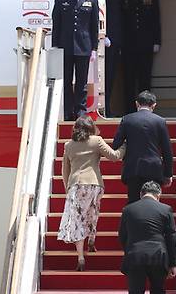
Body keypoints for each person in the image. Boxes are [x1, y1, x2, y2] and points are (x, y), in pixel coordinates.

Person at [57, 116, 126, 271]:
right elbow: (114, 156)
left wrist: (68, 188)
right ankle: (91, 240)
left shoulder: (68, 145)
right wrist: (125, 146)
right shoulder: (96, 140)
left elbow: (65, 170)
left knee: (77, 219)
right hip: (94, 184)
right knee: (93, 212)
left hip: (76, 185)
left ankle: (81, 257)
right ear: (91, 128)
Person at [52, 0, 99, 121]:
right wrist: (55, 46)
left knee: (82, 83)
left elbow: (94, 26)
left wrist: (94, 48)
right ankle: (66, 111)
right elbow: (56, 24)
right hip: (65, 47)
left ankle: (80, 112)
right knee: (65, 81)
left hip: (83, 47)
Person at [113, 90, 173, 204]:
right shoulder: (160, 121)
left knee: (133, 203)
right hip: (154, 169)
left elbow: (116, 144)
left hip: (133, 168)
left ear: (137, 104)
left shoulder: (127, 119)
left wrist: (129, 144)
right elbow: (167, 150)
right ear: (154, 105)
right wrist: (168, 173)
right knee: (153, 203)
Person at [119, 181, 176, 294]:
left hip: (135, 255)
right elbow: (171, 237)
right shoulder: (166, 209)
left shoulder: (128, 210)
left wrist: (130, 250)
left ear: (141, 194)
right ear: (158, 195)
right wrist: (172, 263)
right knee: (158, 290)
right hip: (158, 256)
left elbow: (122, 235)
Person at [121, 0, 162, 114]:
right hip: (128, 47)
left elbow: (156, 21)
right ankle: (129, 111)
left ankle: (146, 109)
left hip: (146, 46)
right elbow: (120, 23)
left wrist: (157, 41)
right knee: (129, 81)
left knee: (145, 79)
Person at [104, 0, 123, 117]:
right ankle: (106, 109)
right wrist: (106, 35)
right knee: (107, 75)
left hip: (115, 39)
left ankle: (108, 108)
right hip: (109, 40)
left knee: (111, 75)